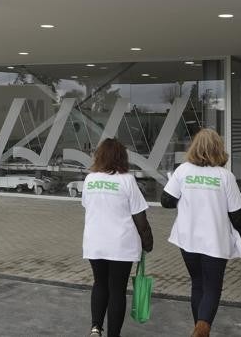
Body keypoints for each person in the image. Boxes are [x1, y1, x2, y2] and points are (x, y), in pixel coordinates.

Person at [161, 128, 241, 337]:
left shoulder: (183, 171)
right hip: (215, 242)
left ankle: (198, 330)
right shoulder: (225, 176)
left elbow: (166, 201)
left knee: (197, 284)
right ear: (219, 148)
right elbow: (237, 214)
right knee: (212, 288)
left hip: (187, 240)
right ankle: (201, 331)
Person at [82, 138, 153, 337]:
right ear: (122, 157)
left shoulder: (90, 180)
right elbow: (140, 218)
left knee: (99, 283)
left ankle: (96, 328)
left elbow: (88, 207)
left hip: (95, 243)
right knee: (117, 290)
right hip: (121, 245)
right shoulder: (127, 181)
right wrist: (148, 242)